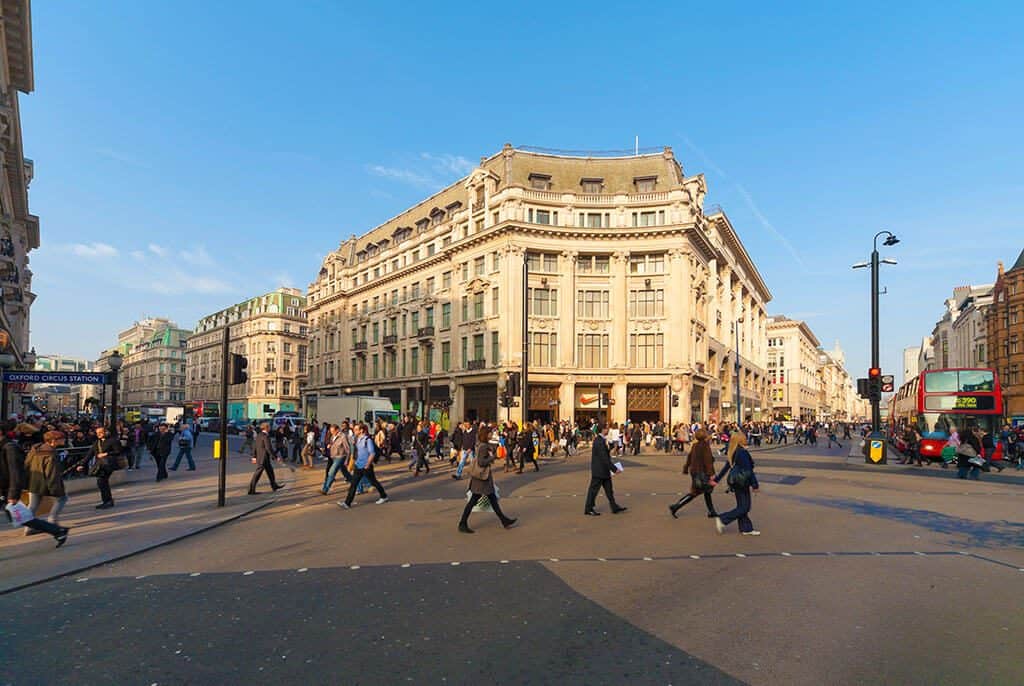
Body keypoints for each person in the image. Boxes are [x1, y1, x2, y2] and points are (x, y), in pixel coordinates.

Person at [1, 422, 70, 548]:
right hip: (39, 484)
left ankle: (55, 530)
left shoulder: (16, 447)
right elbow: (47, 471)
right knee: (26, 514)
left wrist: (15, 491)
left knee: (25, 513)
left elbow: (19, 469)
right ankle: (55, 526)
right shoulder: (48, 452)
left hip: (20, 486)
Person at [458, 425, 517, 533]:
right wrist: (492, 458)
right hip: (482, 479)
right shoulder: (484, 446)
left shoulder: (482, 445)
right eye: (490, 433)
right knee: (474, 501)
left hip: (482, 479)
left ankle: (504, 520)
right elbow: (481, 462)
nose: (491, 434)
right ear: (486, 434)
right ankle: (462, 523)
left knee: (492, 500)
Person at [24, 430, 70, 535]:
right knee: (62, 498)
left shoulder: (35, 449)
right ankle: (52, 521)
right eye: (62, 438)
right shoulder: (51, 454)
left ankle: (28, 527)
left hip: (34, 481)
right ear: (54, 440)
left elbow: (26, 464)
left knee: (33, 505)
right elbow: (52, 473)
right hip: (45, 483)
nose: (64, 440)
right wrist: (56, 489)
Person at [714, 431, 760, 535]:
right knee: (745, 507)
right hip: (742, 482)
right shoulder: (742, 452)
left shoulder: (733, 451)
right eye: (744, 438)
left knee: (742, 505)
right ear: (741, 440)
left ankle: (746, 528)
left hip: (736, 482)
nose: (746, 439)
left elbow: (726, 467)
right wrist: (755, 485)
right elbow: (748, 470)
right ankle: (723, 519)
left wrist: (716, 480)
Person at [668, 429, 718, 519]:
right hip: (702, 472)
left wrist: (686, 468)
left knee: (706, 491)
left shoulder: (695, 445)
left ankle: (712, 511)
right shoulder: (705, 446)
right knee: (696, 492)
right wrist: (711, 473)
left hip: (694, 471)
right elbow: (708, 461)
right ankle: (675, 506)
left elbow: (689, 457)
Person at [338, 423, 388, 509]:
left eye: (356, 429)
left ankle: (384, 496)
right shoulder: (357, 439)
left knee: (374, 482)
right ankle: (347, 503)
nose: (354, 431)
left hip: (366, 466)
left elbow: (372, 453)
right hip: (358, 465)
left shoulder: (367, 440)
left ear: (361, 430)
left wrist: (368, 464)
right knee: (353, 484)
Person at [583, 424, 626, 516]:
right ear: (603, 430)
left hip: (604, 470)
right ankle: (588, 508)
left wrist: (611, 446)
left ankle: (614, 507)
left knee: (609, 490)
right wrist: (615, 469)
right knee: (593, 490)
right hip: (599, 470)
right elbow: (604, 458)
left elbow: (605, 453)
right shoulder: (599, 441)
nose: (608, 430)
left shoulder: (602, 440)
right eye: (607, 428)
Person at [85, 425, 123, 509]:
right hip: (100, 464)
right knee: (102, 482)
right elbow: (90, 454)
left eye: (100, 432)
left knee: (102, 481)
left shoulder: (113, 441)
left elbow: (118, 451)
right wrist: (82, 464)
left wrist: (106, 454)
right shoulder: (97, 442)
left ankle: (107, 501)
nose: (98, 434)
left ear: (106, 432)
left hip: (109, 464)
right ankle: (107, 500)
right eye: (97, 433)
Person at [248, 423, 284, 494]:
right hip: (263, 458)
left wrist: (254, 456)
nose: (270, 428)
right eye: (269, 427)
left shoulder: (259, 435)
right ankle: (251, 490)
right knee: (257, 474)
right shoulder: (265, 436)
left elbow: (254, 446)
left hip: (262, 458)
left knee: (270, 472)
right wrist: (275, 457)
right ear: (266, 428)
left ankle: (274, 485)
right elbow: (268, 448)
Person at [322, 424, 352, 495]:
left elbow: (347, 449)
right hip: (334, 457)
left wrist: (347, 459)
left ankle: (325, 489)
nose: (332, 432)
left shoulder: (343, 436)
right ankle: (356, 484)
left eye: (333, 431)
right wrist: (330, 445)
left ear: (337, 430)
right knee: (346, 473)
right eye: (331, 431)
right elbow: (333, 443)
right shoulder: (333, 436)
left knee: (331, 472)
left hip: (340, 456)